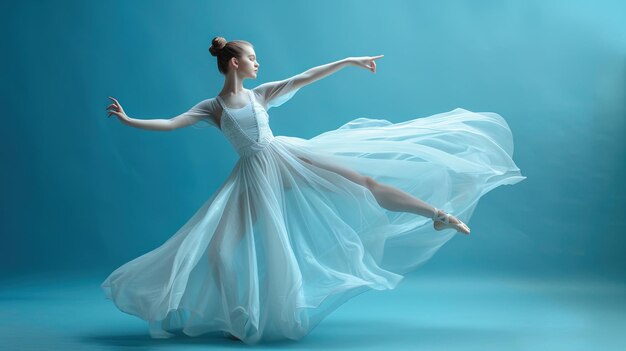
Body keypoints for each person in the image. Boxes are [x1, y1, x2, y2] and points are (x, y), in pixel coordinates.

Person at [102, 36, 525, 344]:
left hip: (285, 158)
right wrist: (130, 120)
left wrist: (347, 60)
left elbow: (305, 77)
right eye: (251, 58)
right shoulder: (212, 108)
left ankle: (437, 215)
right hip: (252, 178)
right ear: (233, 63)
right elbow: (171, 123)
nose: (257, 64)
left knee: (364, 182)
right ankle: (237, 318)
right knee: (217, 250)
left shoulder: (260, 95)